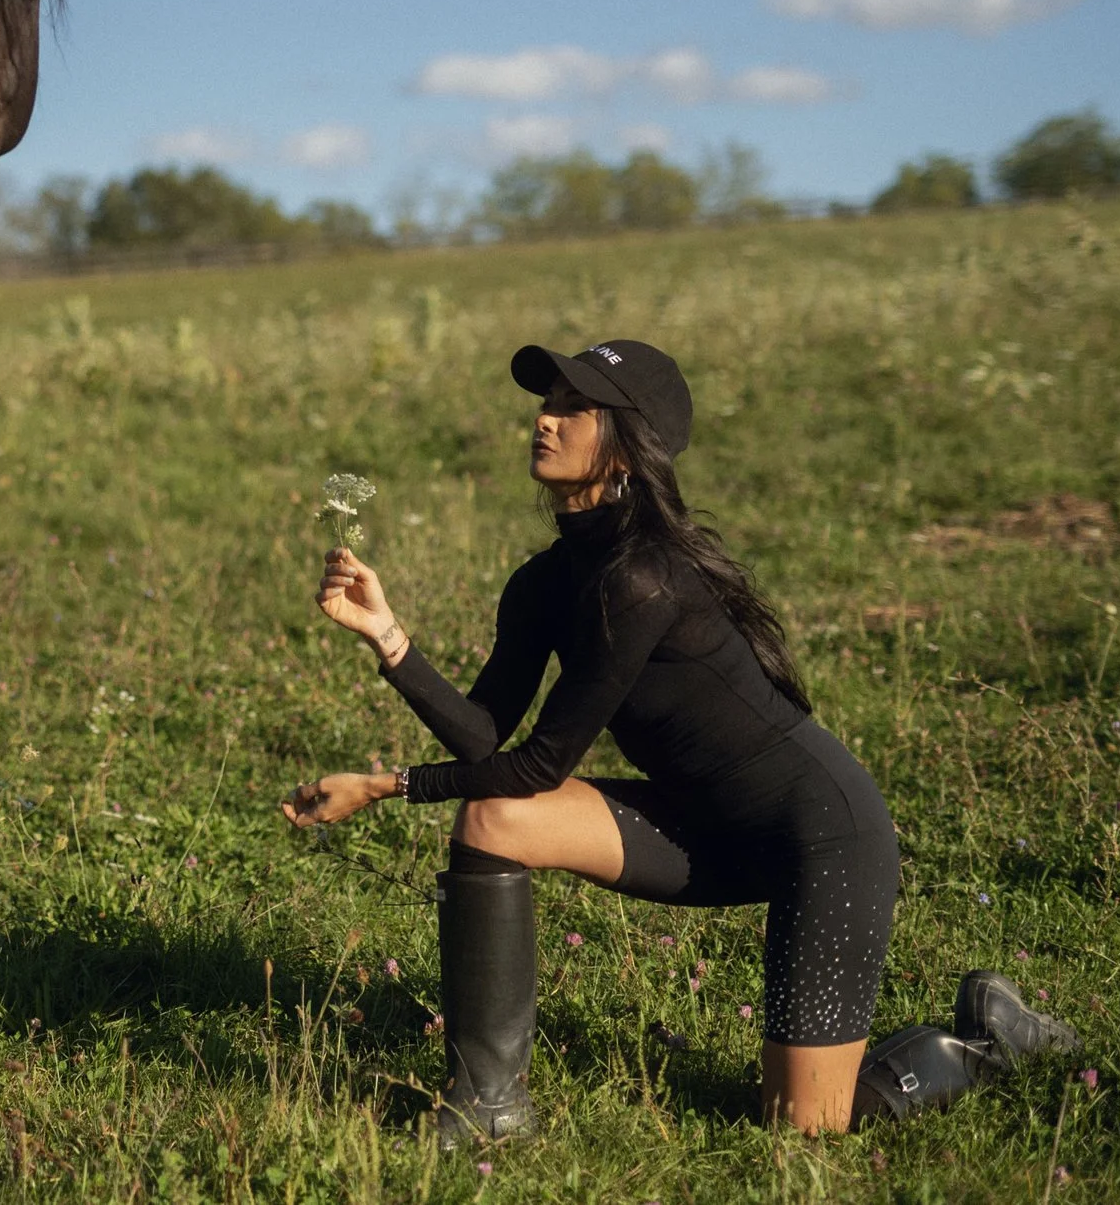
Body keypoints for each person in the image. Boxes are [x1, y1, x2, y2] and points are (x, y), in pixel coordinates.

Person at [281, 340, 1078, 1140]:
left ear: (629, 442)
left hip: (821, 835)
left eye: (572, 407)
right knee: (495, 820)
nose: (545, 419)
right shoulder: (542, 582)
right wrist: (388, 637)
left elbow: (540, 762)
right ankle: (490, 1104)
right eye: (546, 400)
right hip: (698, 827)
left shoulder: (643, 578)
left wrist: (387, 785)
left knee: (805, 1124)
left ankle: (985, 1038)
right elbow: (487, 731)